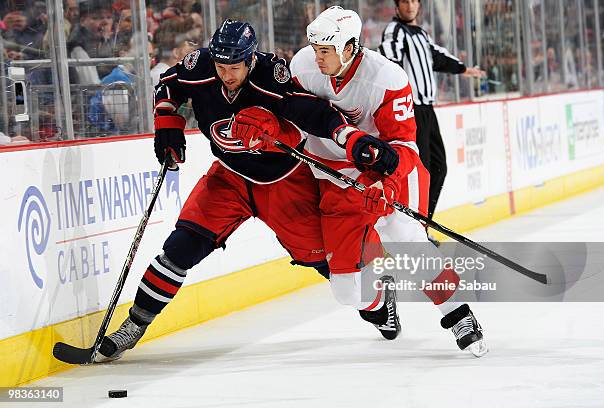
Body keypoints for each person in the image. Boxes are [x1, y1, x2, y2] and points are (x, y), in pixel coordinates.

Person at [95, 19, 398, 362]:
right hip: (228, 178)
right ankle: (133, 326)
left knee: (329, 264)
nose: (226, 74)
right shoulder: (200, 65)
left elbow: (313, 113)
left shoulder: (272, 75)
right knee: (180, 247)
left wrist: (349, 137)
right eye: (221, 66)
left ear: (250, 59)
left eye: (234, 67)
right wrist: (167, 123)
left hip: (284, 182)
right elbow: (168, 85)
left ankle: (377, 303)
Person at [281, 6, 487, 356]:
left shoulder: (386, 78)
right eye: (316, 49)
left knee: (408, 240)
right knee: (346, 290)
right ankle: (381, 296)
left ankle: (459, 315)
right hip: (336, 178)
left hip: (387, 172)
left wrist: (387, 186)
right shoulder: (302, 67)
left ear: (349, 48)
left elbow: (406, 147)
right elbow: (289, 117)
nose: (318, 57)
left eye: (326, 51)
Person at [378, 0, 485, 226]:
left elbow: (437, 56)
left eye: (414, 1)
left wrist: (463, 69)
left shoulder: (422, 35)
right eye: (404, 2)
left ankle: (423, 223)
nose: (410, 6)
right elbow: (390, 61)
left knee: (438, 167)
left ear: (419, 5)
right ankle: (415, 228)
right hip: (410, 111)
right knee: (420, 172)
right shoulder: (394, 31)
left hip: (427, 110)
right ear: (397, 6)